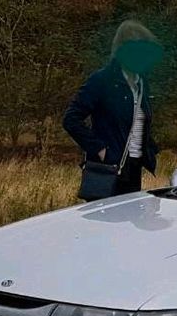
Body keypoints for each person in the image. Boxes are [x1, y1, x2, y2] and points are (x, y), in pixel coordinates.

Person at [63, 19, 161, 197]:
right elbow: (71, 119)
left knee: (129, 221)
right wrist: (100, 150)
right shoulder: (102, 80)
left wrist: (150, 150)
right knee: (107, 223)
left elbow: (137, 123)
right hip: (107, 169)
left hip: (133, 168)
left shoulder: (142, 83)